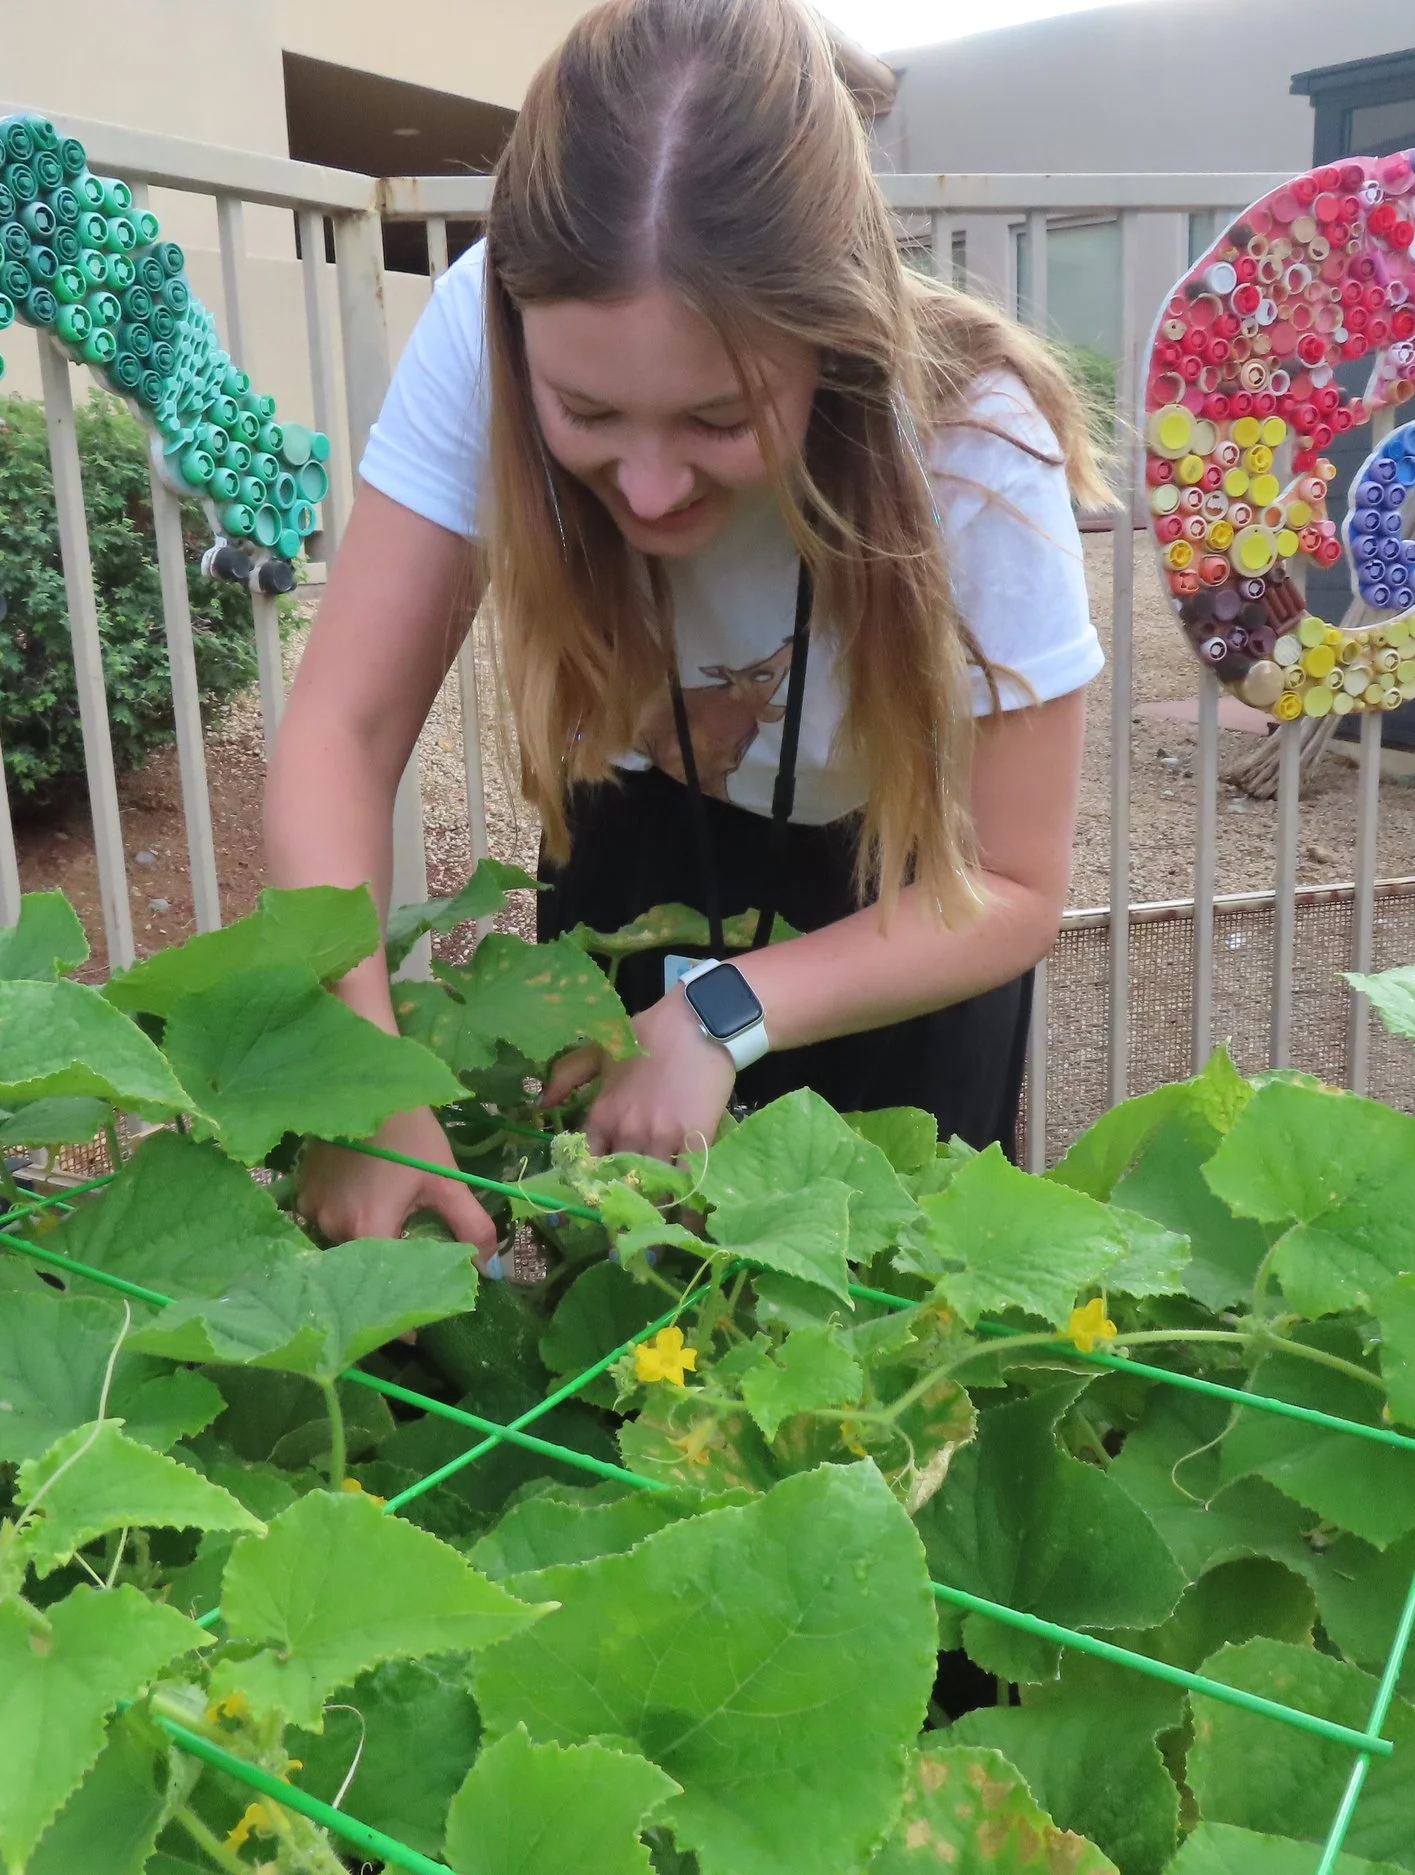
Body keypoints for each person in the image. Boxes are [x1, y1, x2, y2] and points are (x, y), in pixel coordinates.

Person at [266, 0, 1108, 1256]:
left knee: (878, 1312)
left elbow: (1013, 884)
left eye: (719, 420)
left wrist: (722, 1010)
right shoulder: (482, 319)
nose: (651, 489)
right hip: (636, 836)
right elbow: (344, 721)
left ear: (834, 342)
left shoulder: (972, 441)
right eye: (588, 414)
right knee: (606, 1294)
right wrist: (360, 1084)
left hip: (902, 905)